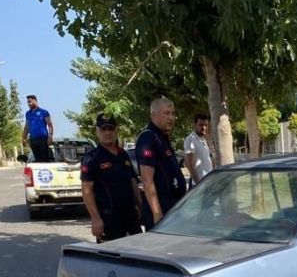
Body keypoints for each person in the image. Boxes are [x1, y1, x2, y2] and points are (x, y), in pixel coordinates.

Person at [81, 114, 142, 243]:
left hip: (130, 215)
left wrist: (141, 207)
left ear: (116, 130)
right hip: (108, 218)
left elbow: (133, 182)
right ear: (97, 131)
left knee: (138, 254)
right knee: (112, 259)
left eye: (111, 129)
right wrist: (96, 219)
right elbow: (87, 191)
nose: (108, 133)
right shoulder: (92, 158)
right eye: (104, 129)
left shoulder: (123, 154)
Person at [135, 98, 186, 231]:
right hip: (161, 210)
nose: (171, 118)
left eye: (173, 113)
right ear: (153, 115)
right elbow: (147, 180)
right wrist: (157, 214)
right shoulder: (148, 138)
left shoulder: (161, 137)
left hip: (173, 207)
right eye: (166, 113)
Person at [183, 113, 214, 188]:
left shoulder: (204, 140)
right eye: (201, 125)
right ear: (195, 125)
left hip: (208, 181)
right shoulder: (190, 139)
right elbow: (188, 163)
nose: (204, 127)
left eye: (206, 125)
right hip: (199, 184)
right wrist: (197, 182)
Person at [22, 95, 54, 162]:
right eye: (28, 102)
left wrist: (50, 137)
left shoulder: (44, 112)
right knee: (37, 159)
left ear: (35, 101)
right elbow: (27, 126)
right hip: (33, 139)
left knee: (44, 158)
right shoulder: (28, 113)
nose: (29, 104)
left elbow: (50, 125)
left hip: (42, 138)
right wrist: (23, 138)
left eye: (30, 102)